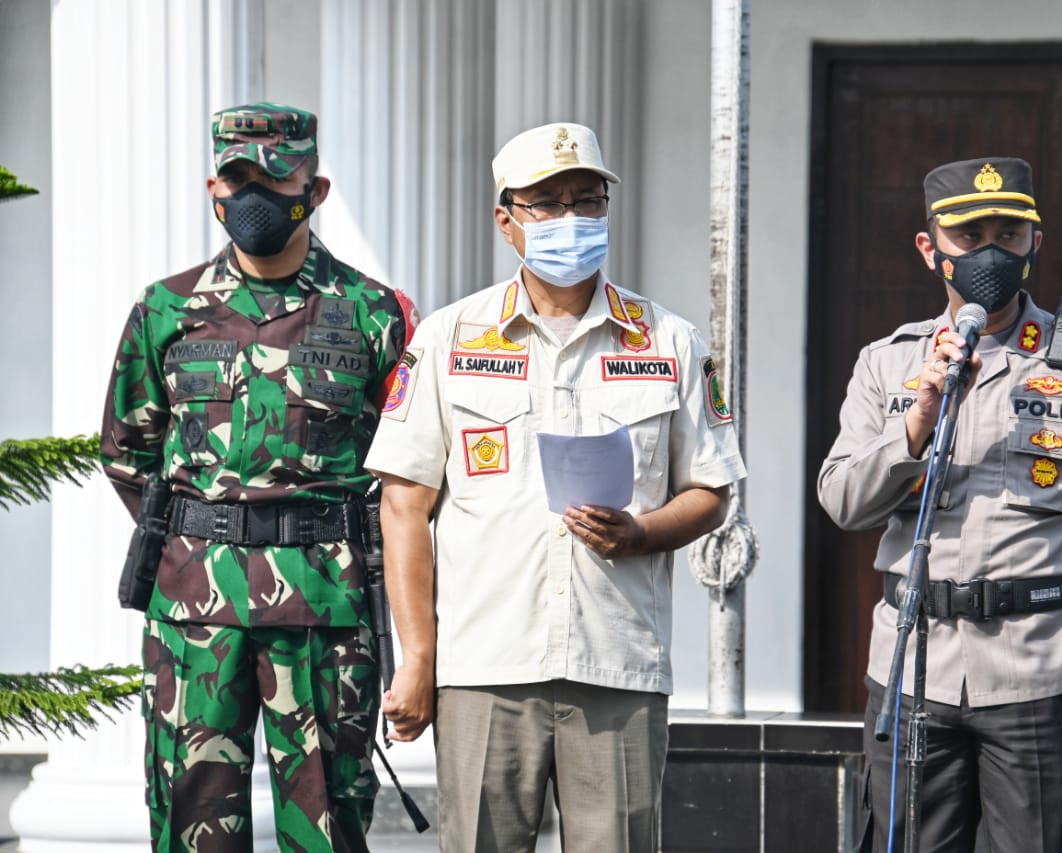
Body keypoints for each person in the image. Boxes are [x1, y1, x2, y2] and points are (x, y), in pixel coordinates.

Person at [365, 120, 747, 852]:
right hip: (483, 665)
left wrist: (644, 532)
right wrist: (418, 658)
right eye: (546, 203)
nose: (571, 218)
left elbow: (711, 488)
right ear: (506, 221)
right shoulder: (449, 338)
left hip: (617, 663)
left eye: (586, 200)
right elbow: (405, 506)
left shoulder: (667, 340)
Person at [816, 157, 1062, 852]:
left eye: (1009, 232)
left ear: (1035, 243)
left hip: (1041, 666)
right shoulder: (886, 362)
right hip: (913, 665)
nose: (991, 251)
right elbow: (842, 500)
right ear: (930, 248)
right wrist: (916, 422)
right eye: (970, 234)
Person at [100, 102, 416, 851]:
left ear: (317, 188)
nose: (253, 198)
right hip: (194, 614)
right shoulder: (166, 309)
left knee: (328, 825)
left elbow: (409, 468)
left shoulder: (375, 313)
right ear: (214, 187)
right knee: (191, 820)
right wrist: (206, 536)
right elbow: (126, 450)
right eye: (237, 179)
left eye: (276, 178)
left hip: (324, 604)